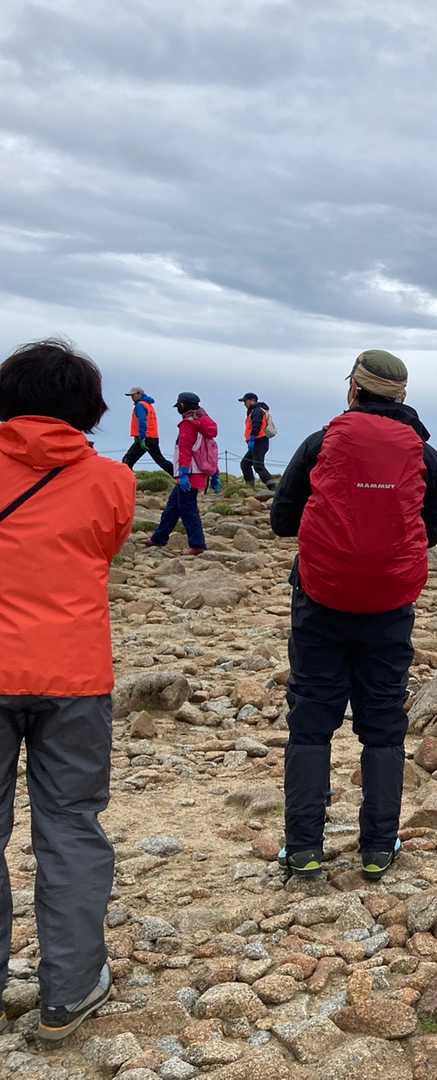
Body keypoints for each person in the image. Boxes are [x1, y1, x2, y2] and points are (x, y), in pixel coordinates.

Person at [0, 339, 134, 1041]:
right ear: (88, 408)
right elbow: (105, 547)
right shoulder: (112, 481)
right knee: (72, 826)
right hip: (74, 676)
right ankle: (71, 989)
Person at [270, 350, 437, 881]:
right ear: (402, 395)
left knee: (310, 723)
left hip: (320, 599)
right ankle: (377, 847)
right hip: (390, 604)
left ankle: (303, 848)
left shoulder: (322, 441)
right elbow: (431, 529)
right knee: (384, 726)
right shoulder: (422, 452)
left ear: (354, 388)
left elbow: (282, 520)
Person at [146, 392, 218, 555]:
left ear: (183, 405)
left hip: (190, 473)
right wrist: (214, 474)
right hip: (199, 471)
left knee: (187, 508)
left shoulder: (188, 423)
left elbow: (185, 449)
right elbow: (210, 448)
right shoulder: (204, 422)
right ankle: (159, 538)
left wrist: (183, 473)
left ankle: (197, 544)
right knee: (173, 506)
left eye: (179, 405)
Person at [120, 387, 172, 475]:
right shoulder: (148, 405)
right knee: (161, 461)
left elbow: (142, 421)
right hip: (153, 438)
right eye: (131, 396)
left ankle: (128, 481)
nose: (132, 397)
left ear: (139, 394)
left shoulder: (140, 405)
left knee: (127, 461)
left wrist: (142, 438)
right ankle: (179, 476)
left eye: (133, 395)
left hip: (144, 438)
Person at [238, 392, 276, 490]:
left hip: (259, 441)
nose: (244, 404)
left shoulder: (257, 411)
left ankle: (273, 487)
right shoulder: (254, 411)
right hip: (258, 441)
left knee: (258, 465)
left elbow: (256, 425)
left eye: (245, 401)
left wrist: (252, 438)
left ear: (252, 401)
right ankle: (250, 487)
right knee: (245, 463)